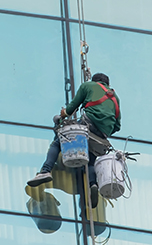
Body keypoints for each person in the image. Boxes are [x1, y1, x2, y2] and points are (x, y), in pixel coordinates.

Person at [27, 73, 120, 207]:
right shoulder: (115, 97)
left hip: (88, 125)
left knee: (58, 142)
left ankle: (45, 171)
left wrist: (62, 114)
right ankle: (93, 184)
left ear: (94, 81)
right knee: (91, 160)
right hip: (102, 136)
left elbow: (72, 108)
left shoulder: (88, 86)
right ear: (108, 84)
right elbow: (117, 126)